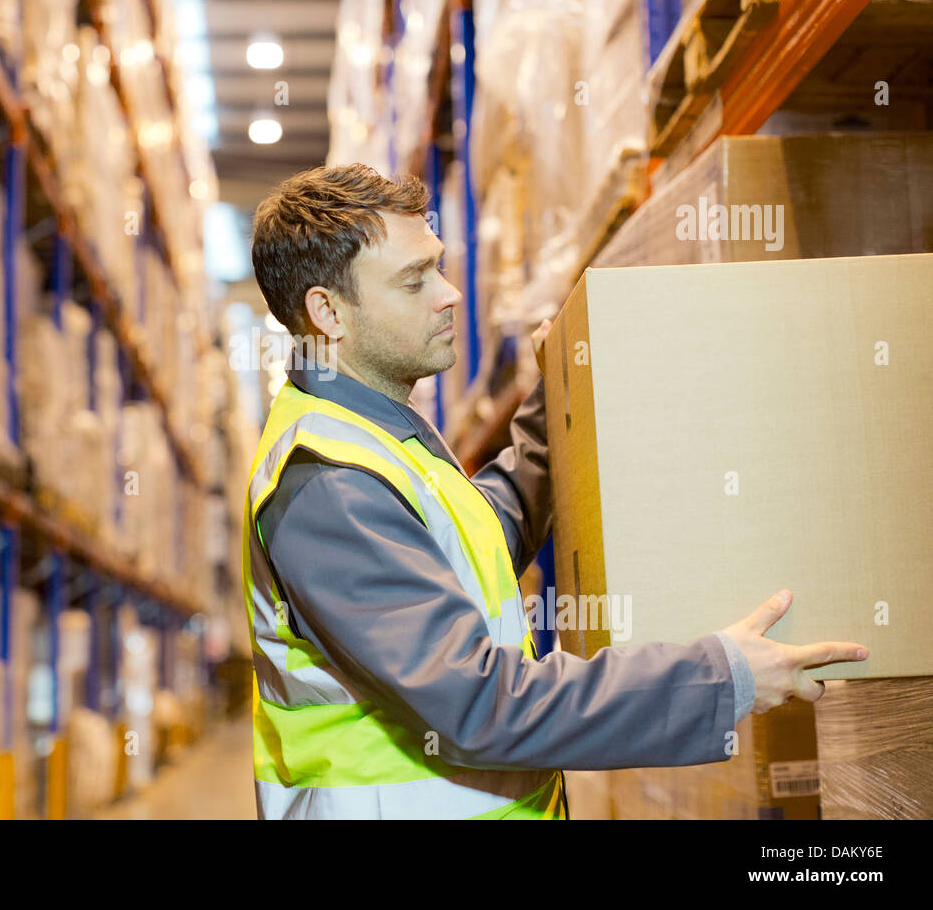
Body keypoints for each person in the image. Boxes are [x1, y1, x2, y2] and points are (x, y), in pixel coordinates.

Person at [242, 163, 868, 820]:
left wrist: (554, 402)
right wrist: (720, 677)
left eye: (440, 266)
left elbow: (481, 537)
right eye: (414, 280)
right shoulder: (326, 481)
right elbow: (481, 705)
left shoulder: (371, 432)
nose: (451, 294)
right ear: (327, 312)